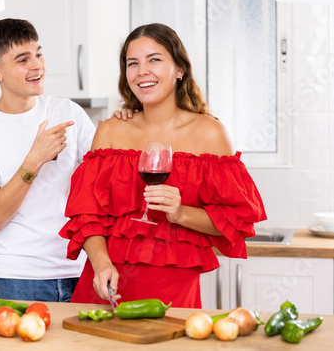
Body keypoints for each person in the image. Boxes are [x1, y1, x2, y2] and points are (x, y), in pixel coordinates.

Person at [59, 23, 267, 308]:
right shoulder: (110, 131)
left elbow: (235, 220)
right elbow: (88, 216)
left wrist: (180, 213)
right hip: (107, 284)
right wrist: (101, 263)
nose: (142, 70)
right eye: (133, 63)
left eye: (154, 59)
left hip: (173, 291)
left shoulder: (210, 134)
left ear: (180, 69)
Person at [0, 18, 129, 302]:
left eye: (38, 54)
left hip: (82, 269)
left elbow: (106, 179)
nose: (37, 65)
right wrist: (33, 161)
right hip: (19, 278)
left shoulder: (68, 112)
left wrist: (123, 128)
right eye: (22, 59)